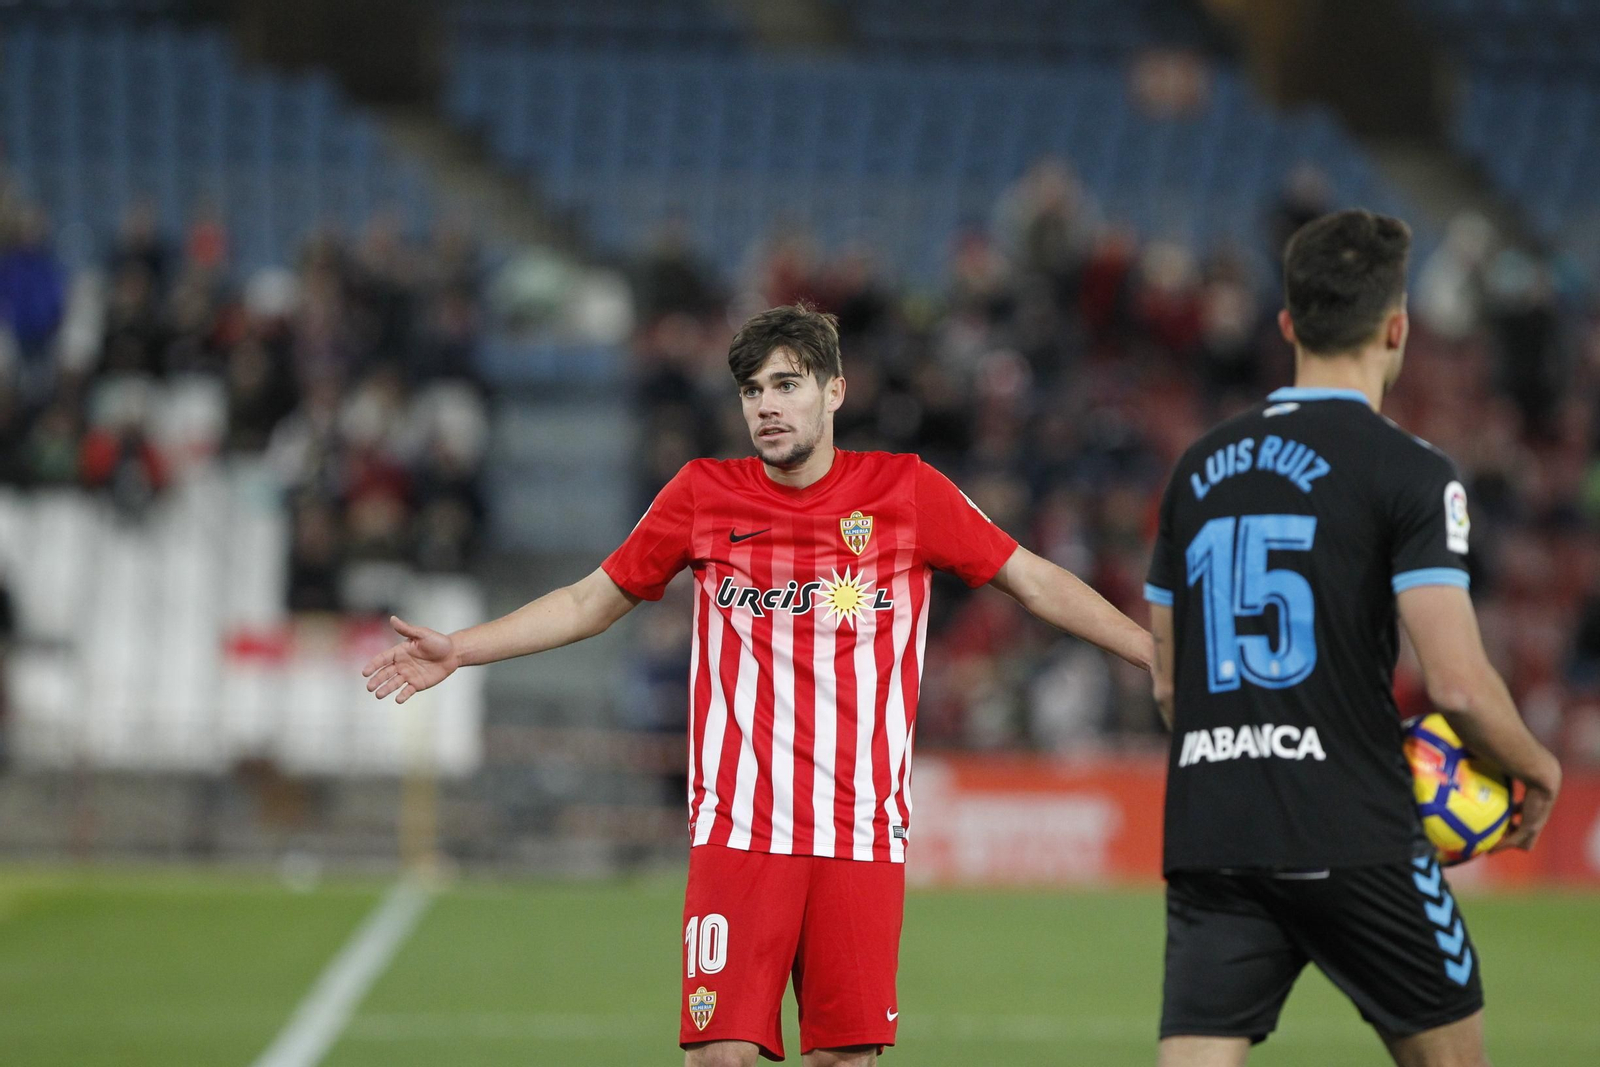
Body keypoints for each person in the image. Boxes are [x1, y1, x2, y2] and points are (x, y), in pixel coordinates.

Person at [363, 303, 1153, 1066]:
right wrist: (462, 649)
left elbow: (1034, 580)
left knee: (847, 1058)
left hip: (860, 830)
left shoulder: (906, 492)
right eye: (752, 390)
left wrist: (1149, 652)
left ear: (835, 391)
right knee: (720, 1053)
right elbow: (588, 601)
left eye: (787, 384)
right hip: (741, 826)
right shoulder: (704, 495)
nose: (767, 406)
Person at [1143, 210, 1562, 1067]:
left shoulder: (1196, 470)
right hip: (1353, 826)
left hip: (1213, 823)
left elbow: (1168, 684)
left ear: (1289, 323)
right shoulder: (1409, 470)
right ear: (1399, 326)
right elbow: (1457, 683)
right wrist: (1539, 767)